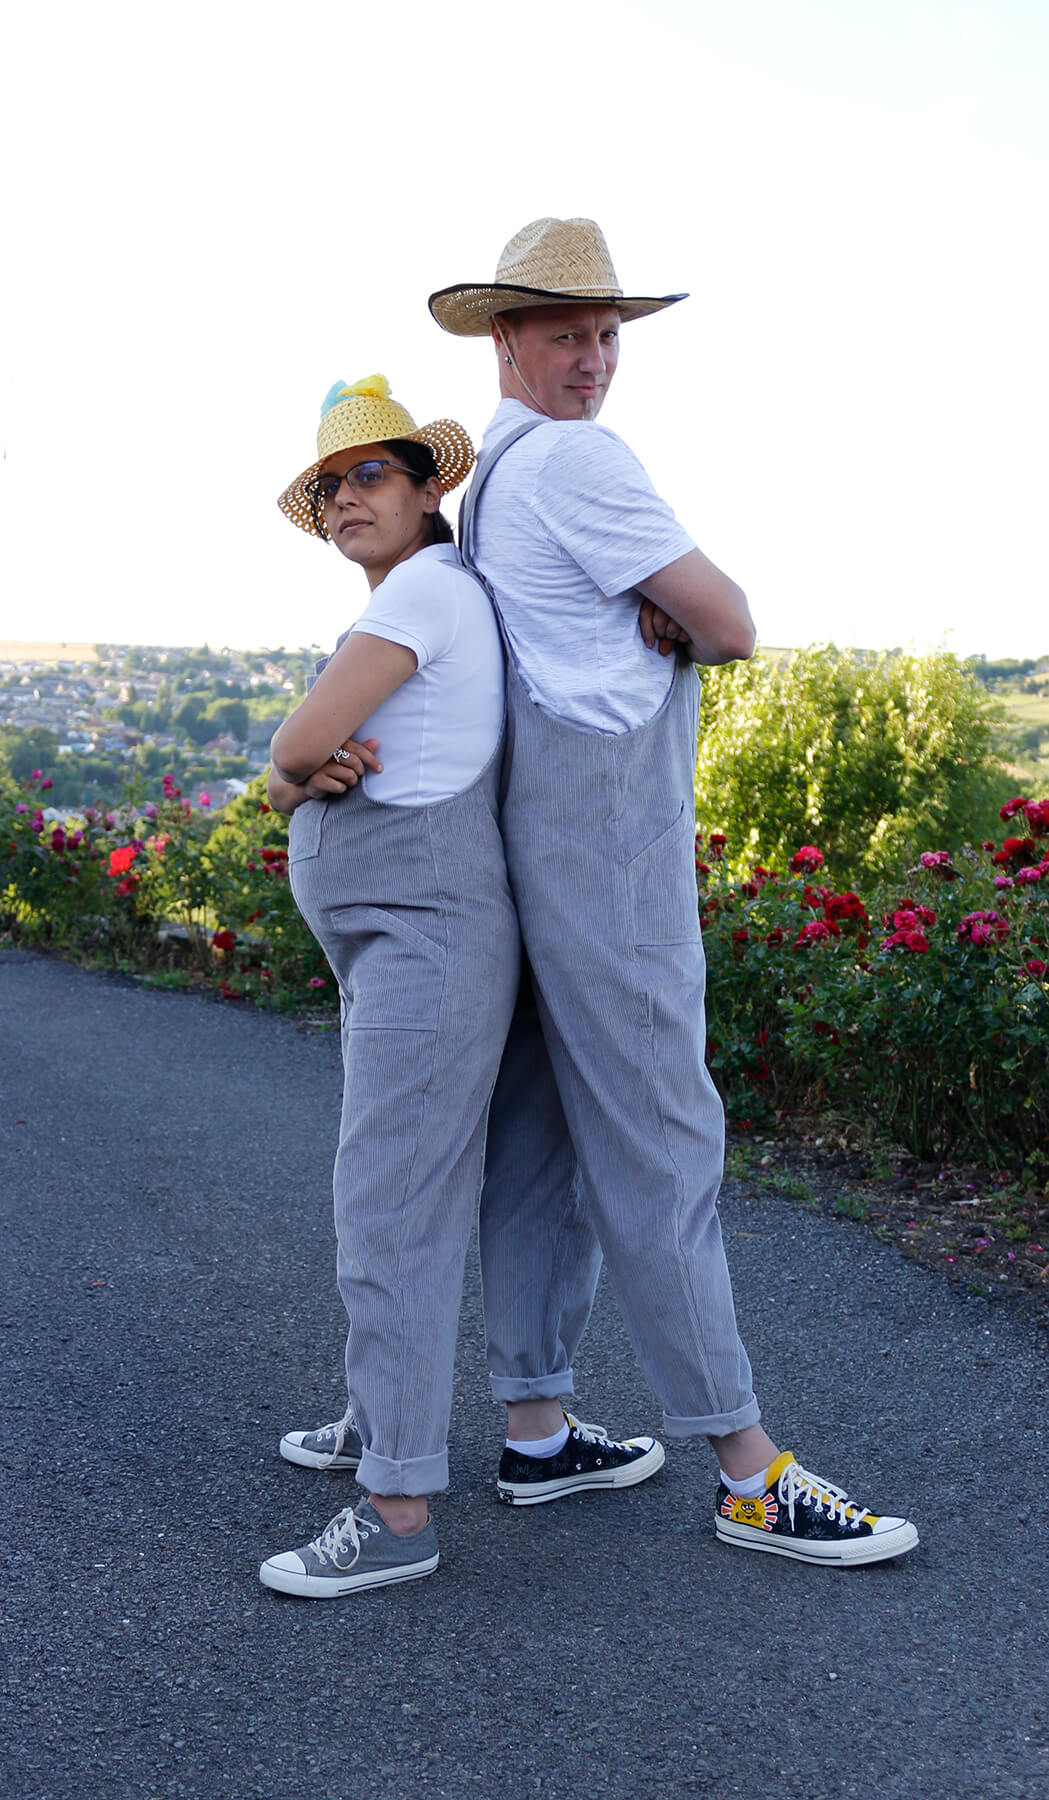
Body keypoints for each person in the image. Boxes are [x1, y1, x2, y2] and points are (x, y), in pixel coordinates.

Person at [428, 217, 919, 1566]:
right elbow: (733, 620)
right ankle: (747, 1471)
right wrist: (682, 626)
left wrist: (658, 619)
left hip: (529, 839)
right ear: (504, 338)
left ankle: (537, 1428)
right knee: (660, 1141)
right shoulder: (576, 460)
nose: (593, 358)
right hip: (608, 844)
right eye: (566, 334)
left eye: (607, 334)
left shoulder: (498, 478)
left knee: (541, 1134)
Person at [258, 375, 661, 1600]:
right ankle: (388, 1419)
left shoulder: (425, 591)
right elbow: (298, 766)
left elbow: (290, 750)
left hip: (424, 941)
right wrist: (296, 776)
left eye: (370, 474)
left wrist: (291, 771)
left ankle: (396, 1510)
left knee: (392, 1205)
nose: (345, 498)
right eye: (329, 485)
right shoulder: (425, 596)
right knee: (405, 1192)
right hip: (405, 941)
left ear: (429, 484)